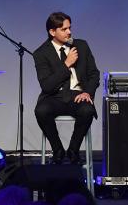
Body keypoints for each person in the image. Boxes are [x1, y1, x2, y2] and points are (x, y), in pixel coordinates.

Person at [33, 12, 100, 164]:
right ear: (52, 32)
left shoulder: (81, 46)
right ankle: (57, 149)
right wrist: (66, 64)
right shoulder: (41, 53)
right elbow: (47, 85)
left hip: (77, 95)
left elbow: (94, 74)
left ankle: (73, 150)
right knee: (41, 111)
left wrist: (88, 93)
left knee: (87, 110)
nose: (69, 32)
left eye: (69, 28)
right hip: (54, 97)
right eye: (64, 29)